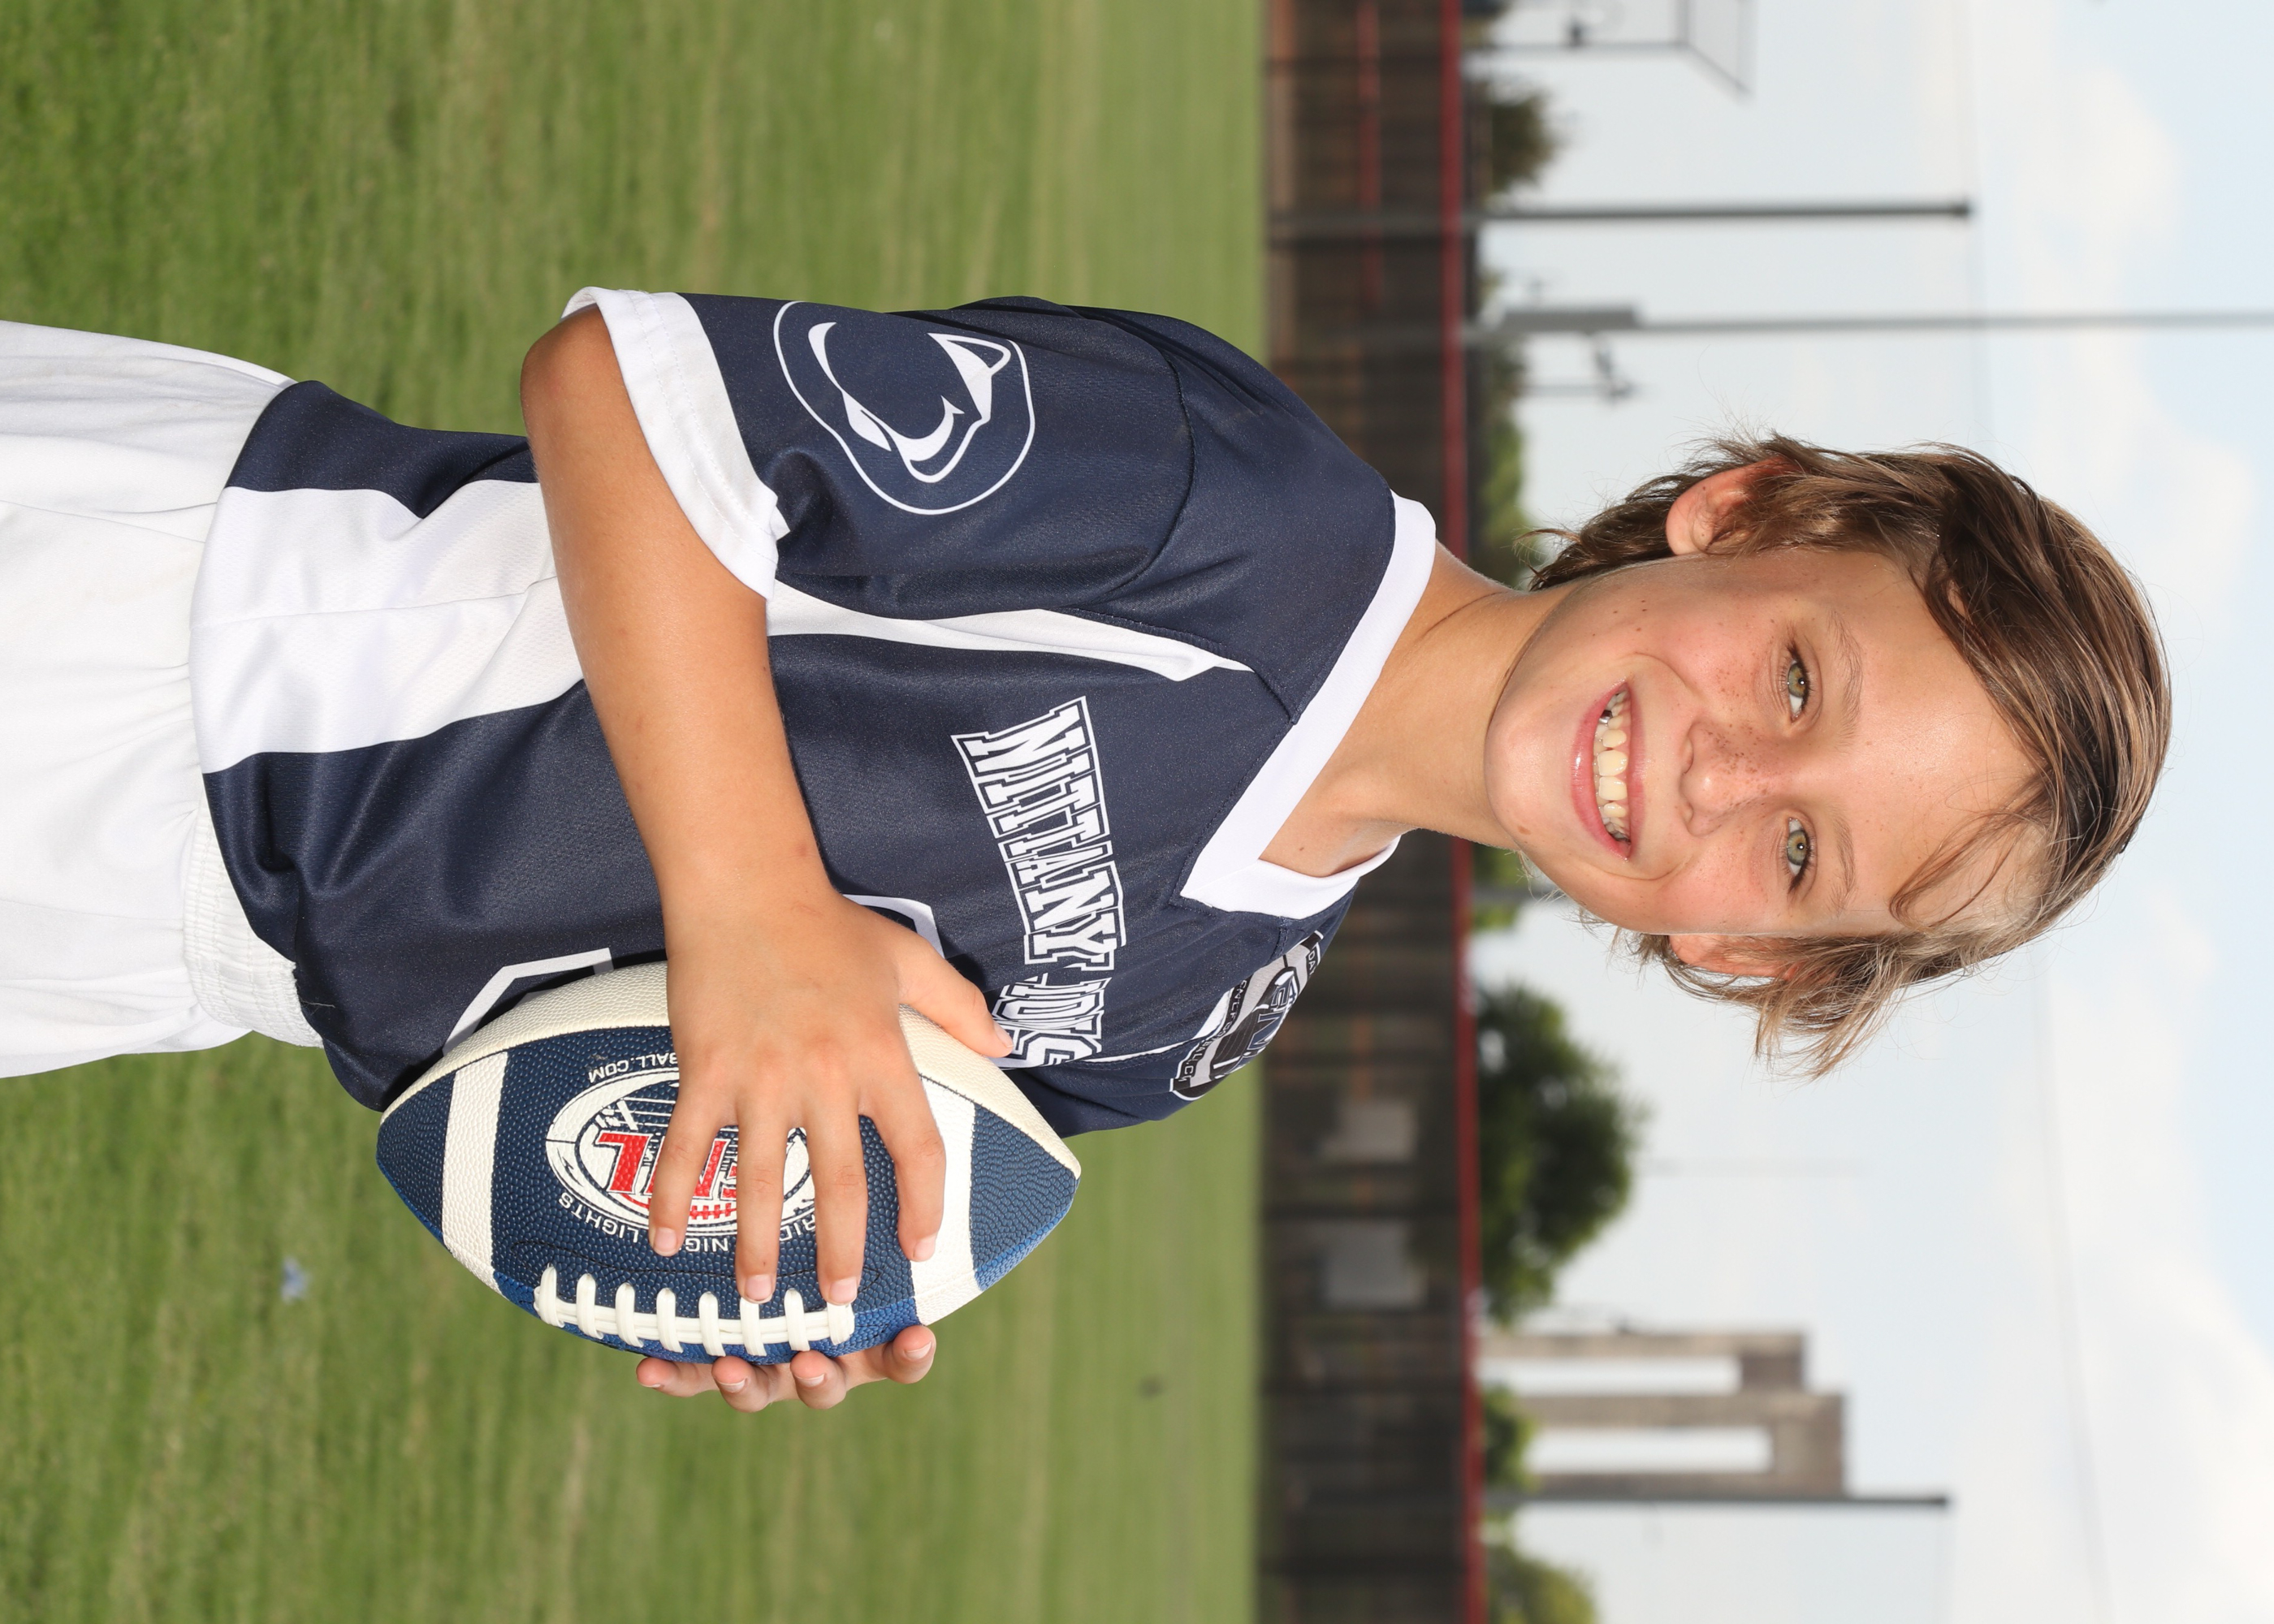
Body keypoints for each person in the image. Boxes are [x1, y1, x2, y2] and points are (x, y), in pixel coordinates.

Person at [0, 293, 2168, 1415]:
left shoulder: (1210, 1013)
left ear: (1745, 958)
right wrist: (760, 918)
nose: (1717, 779)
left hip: (204, 957)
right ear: (1744, 514)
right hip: (172, 631)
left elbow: (684, 1049)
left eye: (1796, 857)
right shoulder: (1239, 512)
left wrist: (783, 1237)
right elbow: (626, 398)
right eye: (1793, 679)